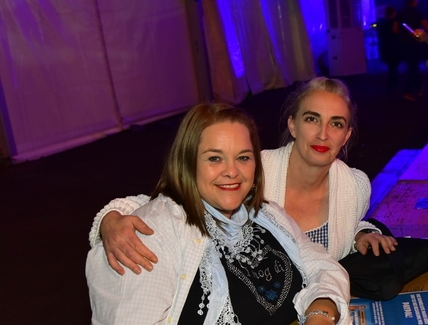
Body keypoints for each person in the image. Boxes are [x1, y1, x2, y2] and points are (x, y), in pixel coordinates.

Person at [65, 104, 354, 325]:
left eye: (243, 158)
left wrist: (319, 316)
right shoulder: (148, 235)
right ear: (188, 161)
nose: (232, 172)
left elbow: (323, 265)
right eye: (215, 158)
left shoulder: (266, 215)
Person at [93, 77, 397, 276]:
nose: (322, 134)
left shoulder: (354, 186)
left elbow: (341, 230)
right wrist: (112, 218)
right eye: (311, 119)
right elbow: (175, 199)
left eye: (336, 124)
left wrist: (360, 234)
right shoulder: (252, 169)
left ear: (347, 136)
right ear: (292, 125)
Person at [395, 0, 428, 101]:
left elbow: (395, 30)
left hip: (403, 44)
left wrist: (403, 34)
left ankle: (418, 88)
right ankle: (408, 91)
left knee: (412, 67)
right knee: (414, 67)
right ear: (414, 0)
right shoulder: (417, 12)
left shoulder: (400, 13)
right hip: (415, 43)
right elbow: (427, 27)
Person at [377, 6, 401, 95]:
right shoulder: (395, 23)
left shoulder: (383, 23)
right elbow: (397, 34)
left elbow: (381, 35)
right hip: (394, 47)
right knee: (394, 66)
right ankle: (392, 83)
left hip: (386, 47)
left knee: (391, 67)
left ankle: (392, 83)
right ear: (393, 12)